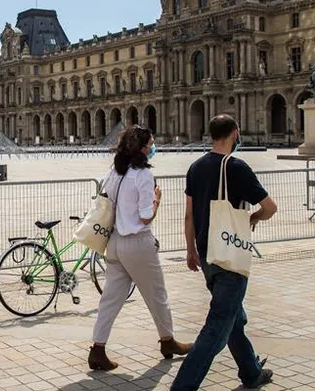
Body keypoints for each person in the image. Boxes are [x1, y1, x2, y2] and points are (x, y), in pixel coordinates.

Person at [171, 114, 278, 390]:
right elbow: (270, 208)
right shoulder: (237, 167)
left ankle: (252, 373)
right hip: (230, 256)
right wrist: (253, 218)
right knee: (218, 327)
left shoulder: (195, 167)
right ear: (235, 133)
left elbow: (189, 215)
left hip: (207, 255)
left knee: (234, 318)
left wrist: (190, 250)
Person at [88, 125, 191, 371]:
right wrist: (156, 201)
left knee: (110, 299)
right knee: (157, 295)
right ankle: (168, 341)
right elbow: (145, 217)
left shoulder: (115, 171)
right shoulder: (143, 175)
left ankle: (97, 349)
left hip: (114, 243)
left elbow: (106, 202)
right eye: (151, 144)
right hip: (137, 244)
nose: (153, 147)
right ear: (143, 149)